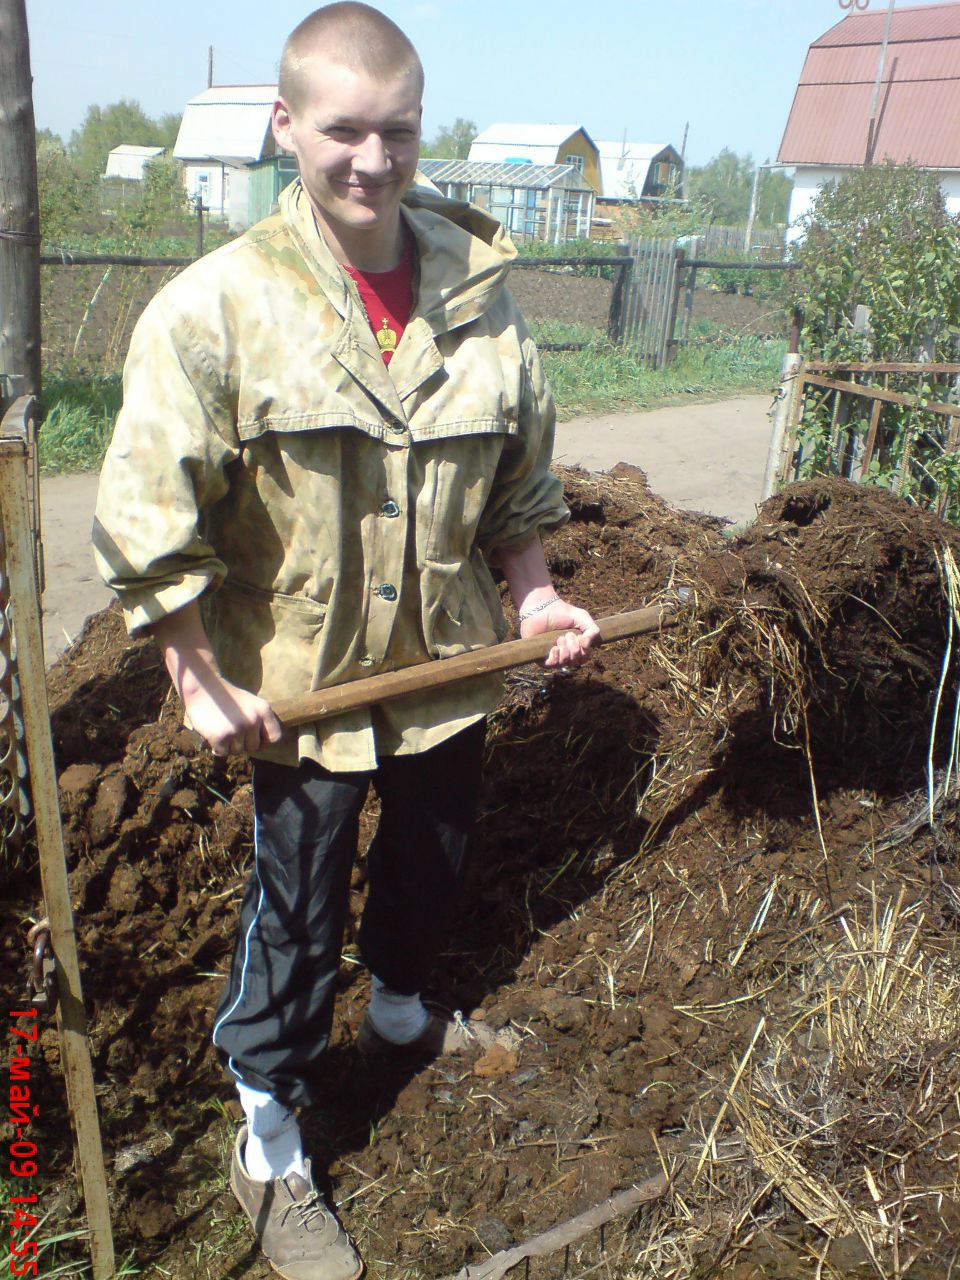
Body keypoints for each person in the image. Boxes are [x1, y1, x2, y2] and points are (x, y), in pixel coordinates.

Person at [93, 4, 599, 1276]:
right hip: (300, 687)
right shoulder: (217, 310)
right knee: (295, 905)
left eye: (398, 130)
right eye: (342, 130)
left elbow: (520, 486)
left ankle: (404, 1009)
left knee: (433, 858)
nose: (371, 159)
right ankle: (266, 1128)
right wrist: (197, 676)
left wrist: (534, 598)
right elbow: (152, 520)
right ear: (285, 127)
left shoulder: (482, 300)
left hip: (449, 668)